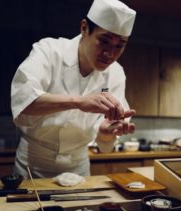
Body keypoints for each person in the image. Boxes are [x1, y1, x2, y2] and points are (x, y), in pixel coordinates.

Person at [11, 0, 136, 178]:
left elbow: (105, 140)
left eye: (119, 45)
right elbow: (24, 102)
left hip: (78, 168)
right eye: (104, 41)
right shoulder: (49, 51)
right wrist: (79, 102)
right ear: (84, 28)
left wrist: (105, 133)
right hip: (32, 165)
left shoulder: (116, 73)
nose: (110, 53)